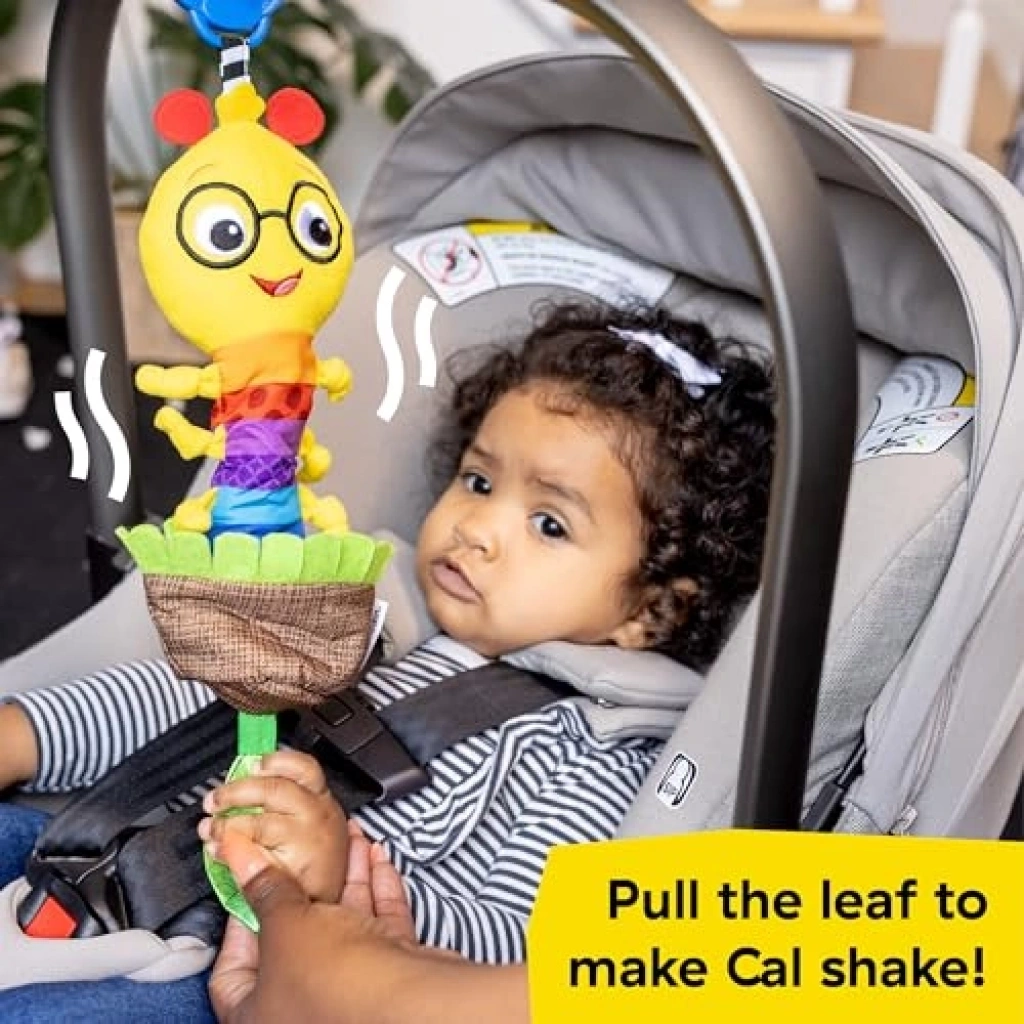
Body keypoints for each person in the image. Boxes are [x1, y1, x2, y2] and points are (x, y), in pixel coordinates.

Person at [0, 301, 775, 1019]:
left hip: (232, 973)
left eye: (548, 523)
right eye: (478, 481)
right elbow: (191, 701)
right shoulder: (375, 619)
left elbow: (514, 949)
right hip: (93, 845)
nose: (476, 527)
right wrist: (29, 733)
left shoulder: (593, 762)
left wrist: (336, 881)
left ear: (650, 613)